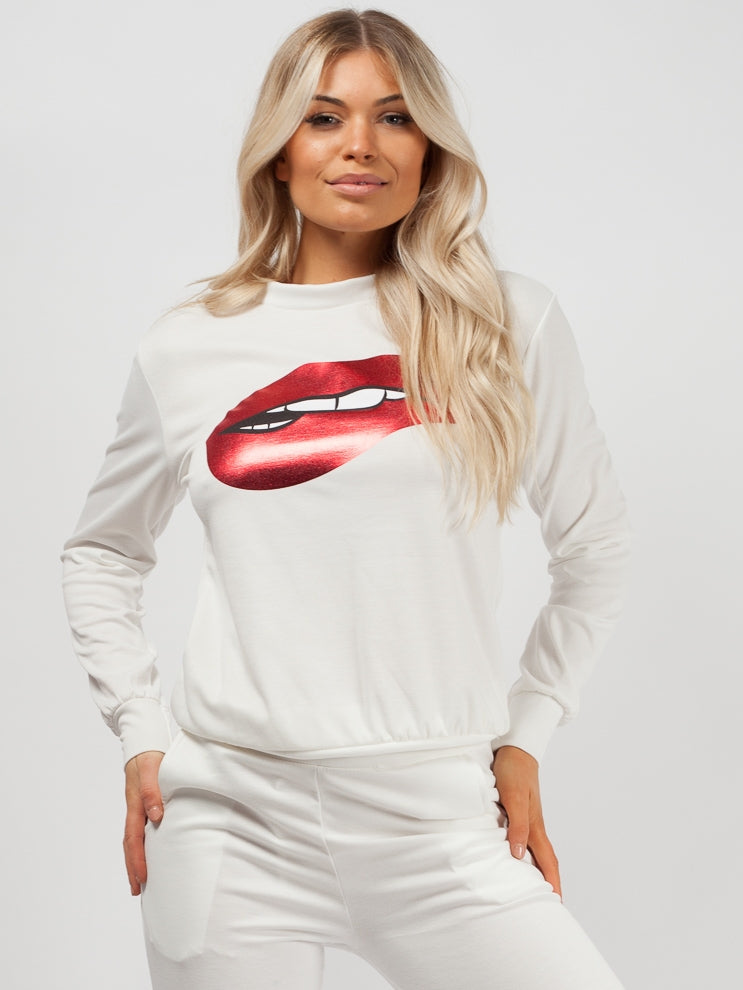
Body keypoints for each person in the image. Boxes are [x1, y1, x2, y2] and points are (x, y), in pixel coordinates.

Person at [61, 8, 631, 989]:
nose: (359, 145)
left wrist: (527, 732)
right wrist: (139, 728)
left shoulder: (507, 322)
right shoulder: (189, 344)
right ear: (278, 151)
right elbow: (102, 552)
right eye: (323, 117)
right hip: (230, 824)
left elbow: (595, 546)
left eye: (395, 117)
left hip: (439, 821)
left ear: (430, 149)